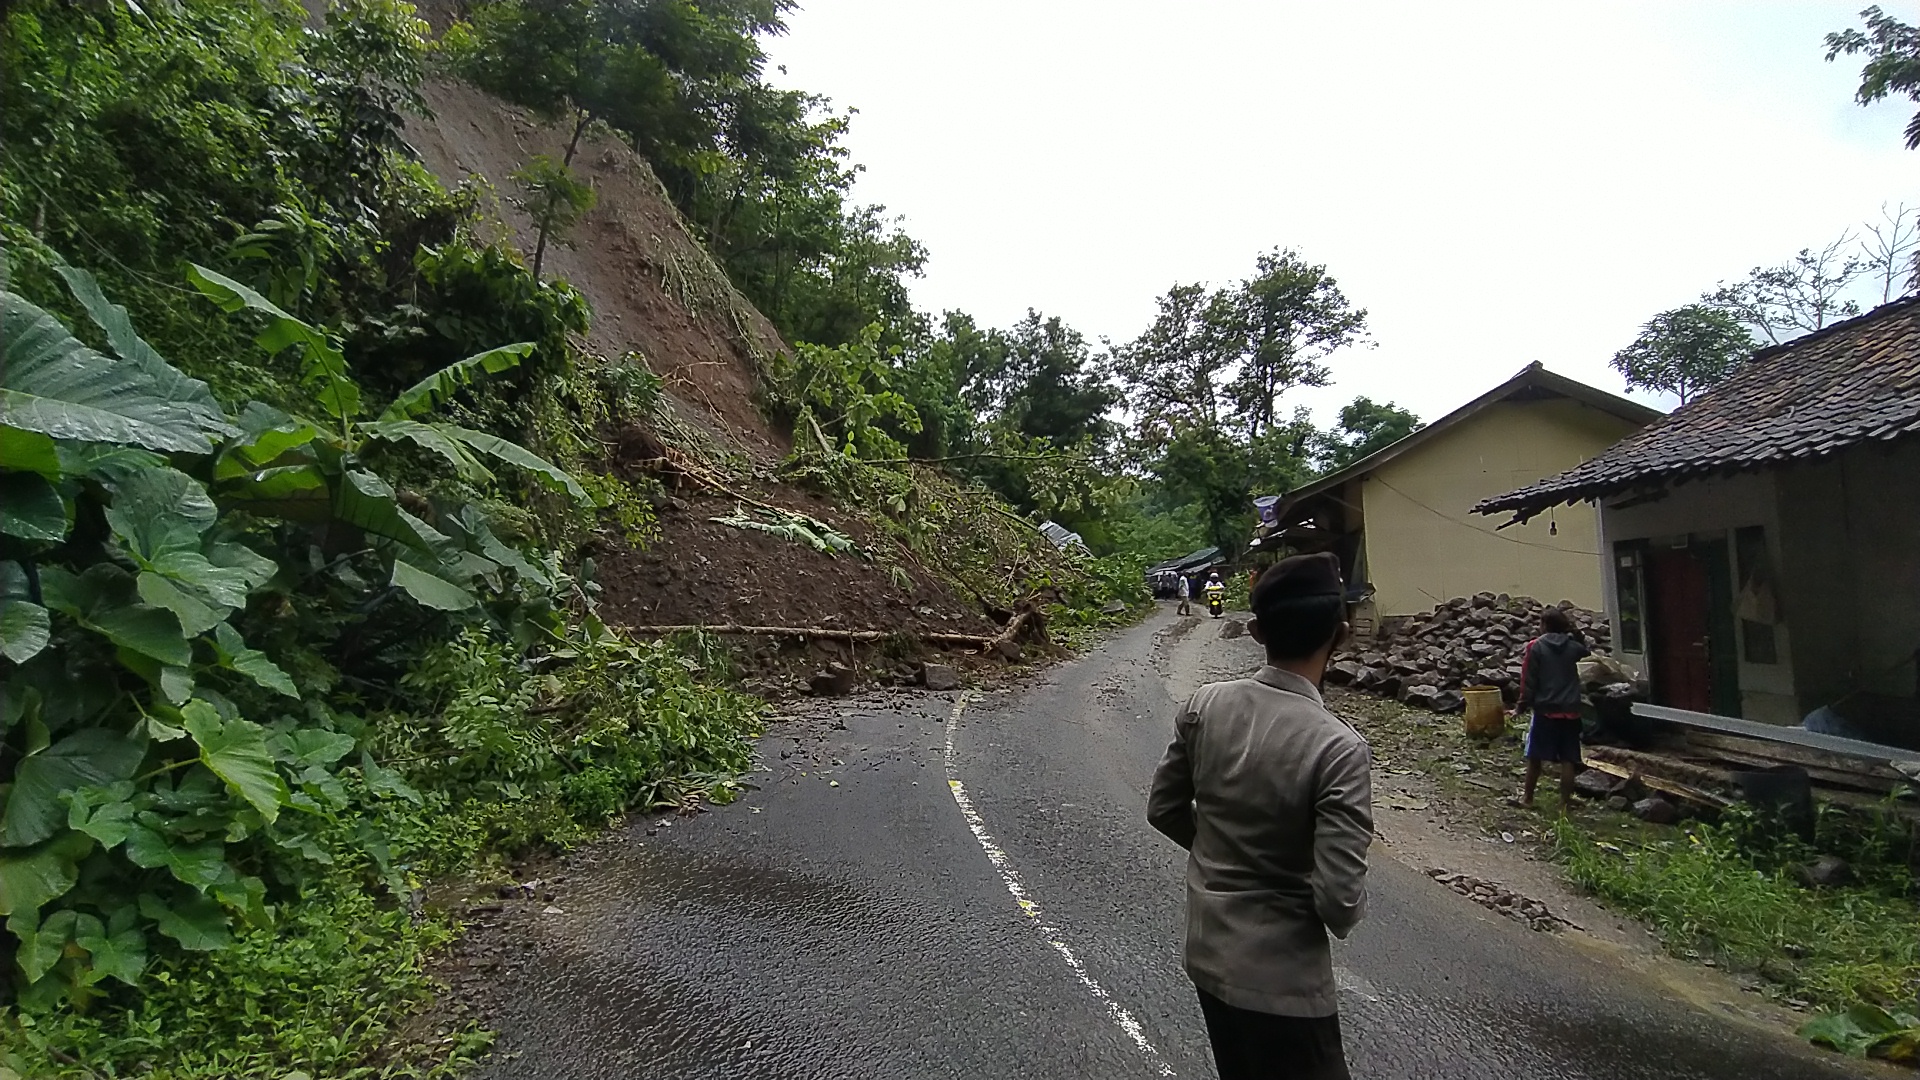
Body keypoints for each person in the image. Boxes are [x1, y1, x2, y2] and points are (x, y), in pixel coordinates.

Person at [1146, 552, 1373, 1080]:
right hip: (1285, 986)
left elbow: (1164, 808)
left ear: (1255, 631)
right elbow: (1339, 904)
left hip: (1208, 956)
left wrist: (1221, 851)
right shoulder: (1338, 749)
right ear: (1339, 635)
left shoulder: (1205, 705)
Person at [1516, 606, 1591, 812]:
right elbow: (1586, 651)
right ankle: (1564, 802)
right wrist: (1576, 632)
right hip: (1571, 710)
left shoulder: (1536, 647)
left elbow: (1528, 680)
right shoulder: (1572, 647)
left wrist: (1522, 705)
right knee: (1569, 758)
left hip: (1545, 710)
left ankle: (1528, 798)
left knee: (1535, 756)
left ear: (1544, 625)